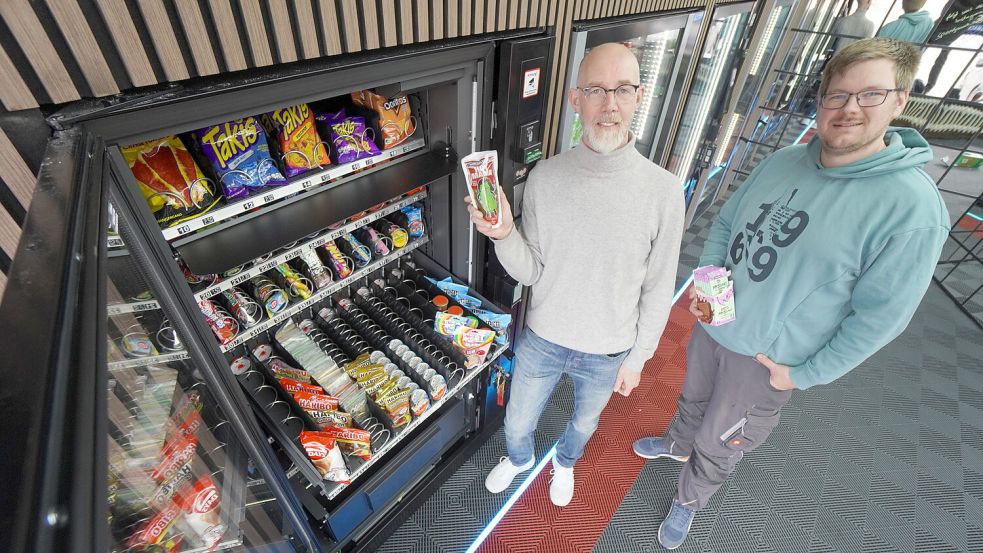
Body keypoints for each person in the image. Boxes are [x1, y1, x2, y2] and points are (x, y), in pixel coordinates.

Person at [633, 37, 948, 550]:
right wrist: (708, 284)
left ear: (900, 100)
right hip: (715, 326)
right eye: (836, 95)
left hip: (767, 360)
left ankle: (687, 500)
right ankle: (676, 441)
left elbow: (882, 318)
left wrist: (805, 374)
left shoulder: (911, 208)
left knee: (723, 438)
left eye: (869, 95)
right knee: (692, 399)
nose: (848, 109)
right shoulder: (783, 160)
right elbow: (729, 221)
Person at [468, 43, 685, 507]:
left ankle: (565, 463)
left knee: (584, 424)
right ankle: (521, 459)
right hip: (543, 337)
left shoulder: (664, 192)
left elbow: (659, 286)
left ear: (638, 96)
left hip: (609, 350)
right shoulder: (545, 177)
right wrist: (504, 233)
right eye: (596, 90)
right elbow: (530, 270)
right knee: (517, 422)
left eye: (622, 90)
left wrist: (639, 357)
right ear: (574, 100)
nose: (610, 105)